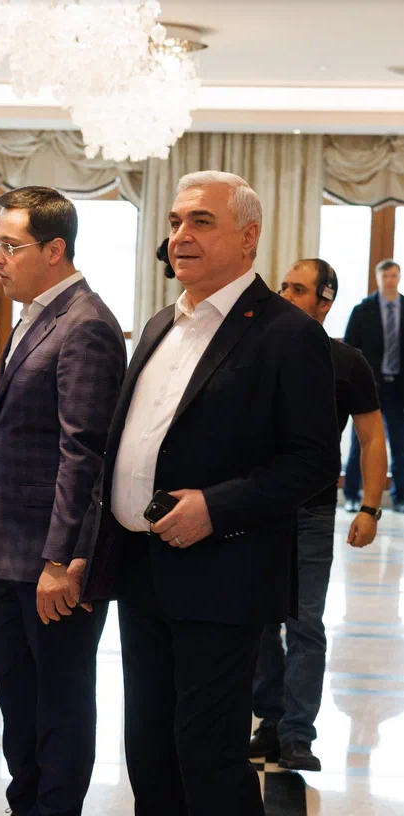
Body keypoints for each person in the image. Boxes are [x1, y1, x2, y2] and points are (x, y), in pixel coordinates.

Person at [76, 171, 340, 815]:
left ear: (248, 238)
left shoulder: (287, 334)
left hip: (224, 574)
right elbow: (127, 446)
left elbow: (312, 461)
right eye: (174, 222)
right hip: (142, 569)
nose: (180, 236)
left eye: (200, 221)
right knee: (148, 749)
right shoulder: (161, 323)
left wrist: (214, 508)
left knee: (207, 754)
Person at [0, 187, 126, 816]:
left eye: (11, 246)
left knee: (59, 706)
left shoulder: (85, 324)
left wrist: (61, 560)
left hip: (50, 562)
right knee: (20, 702)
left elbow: (83, 454)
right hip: (11, 552)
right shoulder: (35, 315)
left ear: (55, 249)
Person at [252, 259, 387, 771]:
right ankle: (268, 723)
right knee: (260, 622)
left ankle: (297, 734)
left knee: (305, 623)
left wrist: (370, 508)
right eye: (283, 286)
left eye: (298, 289)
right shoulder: (257, 350)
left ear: (324, 303)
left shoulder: (347, 362)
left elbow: (372, 439)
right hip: (257, 510)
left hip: (311, 512)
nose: (284, 295)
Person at [342, 259, 404, 511]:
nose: (389, 280)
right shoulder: (362, 310)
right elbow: (349, 347)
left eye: (393, 275)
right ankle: (352, 495)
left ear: (399, 277)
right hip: (369, 385)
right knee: (360, 443)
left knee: (399, 444)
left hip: (398, 387)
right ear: (377, 278)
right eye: (385, 276)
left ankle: (400, 497)